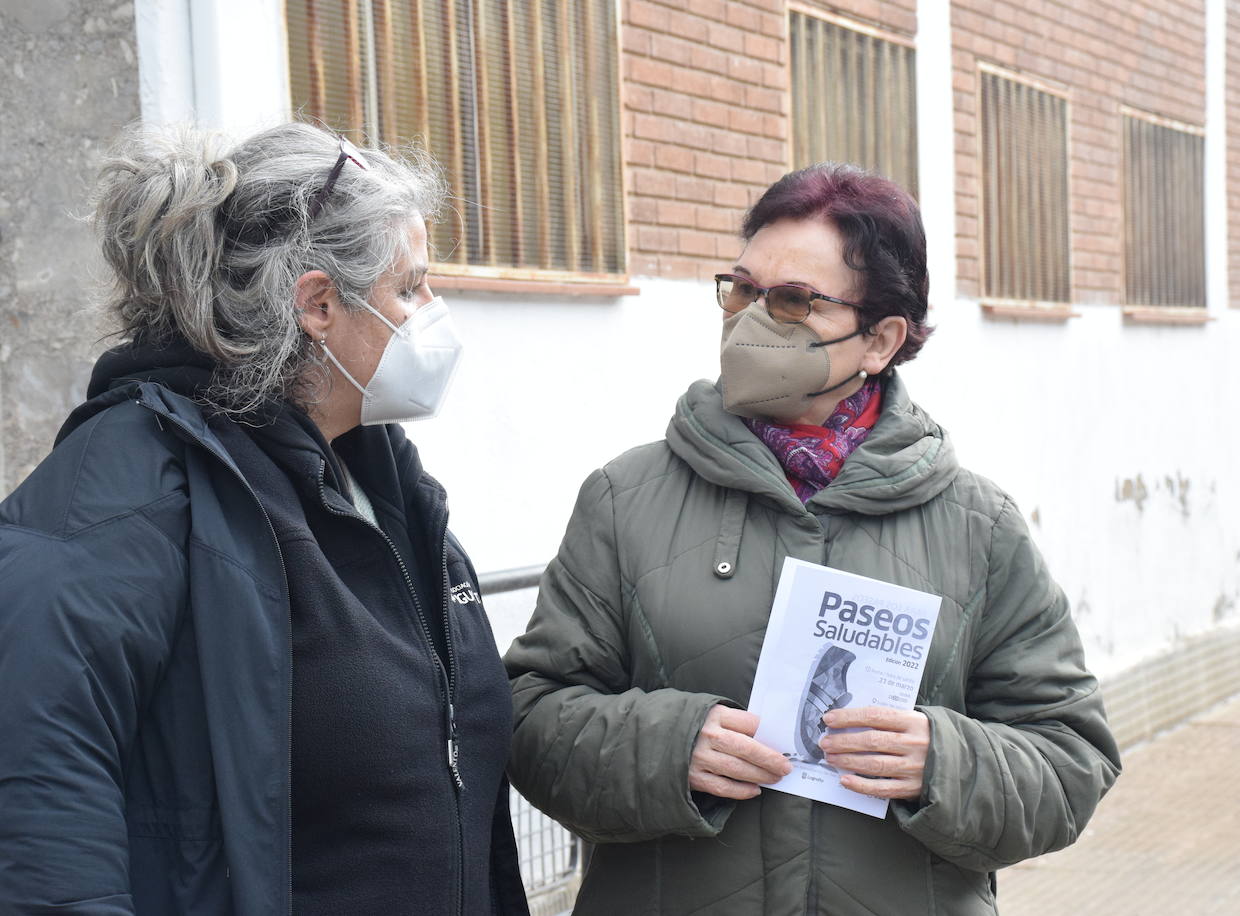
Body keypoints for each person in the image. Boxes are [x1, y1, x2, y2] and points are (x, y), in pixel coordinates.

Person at [504, 163, 1120, 914]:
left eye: (794, 303)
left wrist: (943, 762)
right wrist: (667, 747)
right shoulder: (624, 498)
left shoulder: (977, 524)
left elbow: (1071, 759)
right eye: (741, 290)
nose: (753, 320)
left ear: (880, 340)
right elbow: (529, 716)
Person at [0, 123, 529, 915]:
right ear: (318, 304)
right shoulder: (125, 494)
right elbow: (39, 814)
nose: (432, 312)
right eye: (410, 288)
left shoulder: (383, 482)